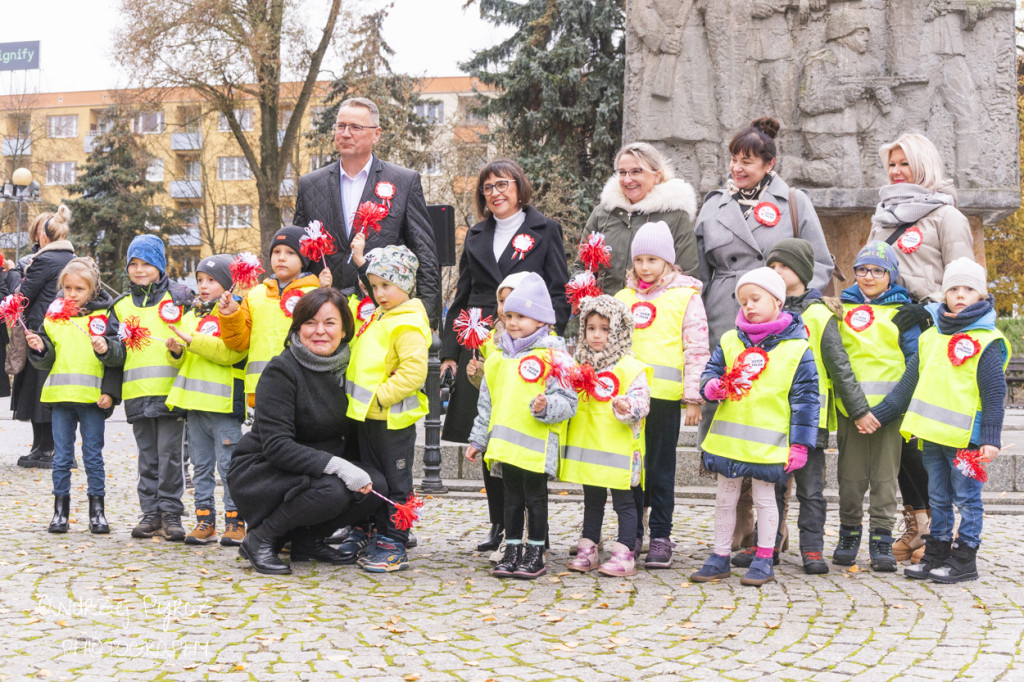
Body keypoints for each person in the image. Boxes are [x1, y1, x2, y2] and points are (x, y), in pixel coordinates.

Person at [694, 116, 834, 553]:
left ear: (769, 164)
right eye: (734, 159)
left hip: (780, 318)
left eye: (748, 161)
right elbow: (699, 271)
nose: (738, 168)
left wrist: (793, 302)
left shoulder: (793, 201)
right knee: (729, 415)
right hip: (726, 312)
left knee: (773, 415)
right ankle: (740, 520)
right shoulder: (714, 203)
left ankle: (777, 517)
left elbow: (821, 263)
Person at [440, 159, 570, 551]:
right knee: (490, 434)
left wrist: (552, 339)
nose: (494, 192)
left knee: (527, 433)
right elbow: (461, 293)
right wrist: (450, 351)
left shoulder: (546, 230)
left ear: (519, 187)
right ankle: (500, 523)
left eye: (502, 184)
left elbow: (559, 289)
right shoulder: (477, 234)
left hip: (531, 342)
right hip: (481, 341)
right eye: (487, 187)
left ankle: (535, 530)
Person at [867, 132, 975, 561]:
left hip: (930, 330)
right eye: (891, 165)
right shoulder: (883, 217)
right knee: (899, 435)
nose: (895, 172)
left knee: (923, 435)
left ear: (923, 166)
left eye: (903, 165)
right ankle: (918, 522)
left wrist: (930, 313)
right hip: (888, 329)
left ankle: (940, 527)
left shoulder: (948, 217)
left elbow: (962, 280)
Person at [228, 288, 385, 575]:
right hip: (266, 469)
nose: (320, 331)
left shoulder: (349, 367)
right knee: (335, 489)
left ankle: (307, 540)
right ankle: (261, 537)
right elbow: (276, 446)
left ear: (345, 328)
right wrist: (338, 466)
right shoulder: (282, 370)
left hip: (312, 471)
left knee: (375, 486)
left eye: (329, 323)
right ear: (298, 327)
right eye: (310, 323)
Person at [878, 259, 1007, 583]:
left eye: (968, 289)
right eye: (953, 288)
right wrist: (879, 414)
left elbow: (993, 393)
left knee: (966, 497)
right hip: (932, 437)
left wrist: (990, 438)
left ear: (981, 295)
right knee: (937, 497)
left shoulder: (986, 340)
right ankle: (937, 549)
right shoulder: (931, 337)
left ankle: (965, 556)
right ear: (943, 294)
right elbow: (909, 383)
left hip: (968, 440)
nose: (960, 294)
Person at [692, 267, 818, 587]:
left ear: (777, 301)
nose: (748, 306)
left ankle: (764, 557)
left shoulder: (797, 349)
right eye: (743, 300)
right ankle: (720, 555)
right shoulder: (731, 340)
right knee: (725, 499)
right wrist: (710, 387)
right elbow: (710, 371)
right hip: (729, 440)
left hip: (769, 441)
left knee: (765, 499)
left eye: (756, 299)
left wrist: (800, 445)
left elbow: (806, 400)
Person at [759, 239, 876, 575]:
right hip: (772, 417)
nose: (777, 271)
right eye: (772, 266)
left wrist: (859, 410)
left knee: (811, 490)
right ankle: (765, 545)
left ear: (802, 272)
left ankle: (811, 548)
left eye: (783, 266)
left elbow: (840, 367)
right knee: (771, 487)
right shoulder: (767, 312)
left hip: (811, 420)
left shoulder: (819, 315)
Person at [466, 272, 578, 580]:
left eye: (522, 316)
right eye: (510, 315)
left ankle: (535, 550)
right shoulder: (499, 357)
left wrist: (546, 408)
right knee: (510, 500)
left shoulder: (556, 358)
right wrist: (478, 440)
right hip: (505, 446)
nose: (513, 322)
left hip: (537, 448)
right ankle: (512, 547)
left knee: (535, 500)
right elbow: (487, 403)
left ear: (541, 320)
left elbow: (569, 402)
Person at [292, 96, 441, 327]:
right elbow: (298, 255)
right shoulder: (310, 184)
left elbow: (425, 255)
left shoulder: (404, 181)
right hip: (325, 317)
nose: (345, 133)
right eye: (340, 126)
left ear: (377, 134)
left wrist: (428, 322)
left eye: (355, 127)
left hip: (383, 315)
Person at [614, 221, 709, 569]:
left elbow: (696, 348)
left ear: (668, 262)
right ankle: (632, 530)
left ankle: (660, 535)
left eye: (653, 259)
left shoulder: (685, 297)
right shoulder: (622, 298)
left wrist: (693, 397)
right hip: (629, 401)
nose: (644, 267)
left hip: (665, 399)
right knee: (632, 466)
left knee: (660, 468)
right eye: (639, 259)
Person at [96, 235, 194, 541]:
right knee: (147, 456)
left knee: (170, 456)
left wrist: (179, 349)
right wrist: (104, 349)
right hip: (137, 394)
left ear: (160, 266)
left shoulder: (179, 299)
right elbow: (118, 353)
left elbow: (194, 339)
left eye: (146, 264)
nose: (139, 270)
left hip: (171, 393)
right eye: (133, 264)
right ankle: (150, 512)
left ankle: (171, 513)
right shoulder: (122, 306)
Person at [832, 241, 922, 571]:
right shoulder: (841, 309)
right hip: (851, 410)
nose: (868, 276)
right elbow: (837, 358)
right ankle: (849, 534)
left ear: (891, 276)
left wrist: (890, 407)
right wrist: (855, 407)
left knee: (885, 479)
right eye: (862, 269)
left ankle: (881, 540)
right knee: (851, 477)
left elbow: (914, 360)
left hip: (889, 413)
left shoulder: (903, 314)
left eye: (877, 270)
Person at [345, 242, 430, 573]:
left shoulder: (406, 322)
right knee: (374, 478)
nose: (379, 292)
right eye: (375, 285)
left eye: (387, 285)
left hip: (390, 418)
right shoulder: (382, 316)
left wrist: (380, 397)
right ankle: (377, 529)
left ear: (405, 284)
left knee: (396, 481)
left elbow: (413, 372)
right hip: (370, 416)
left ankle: (396, 538)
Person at [26, 257, 119, 534]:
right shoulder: (54, 318)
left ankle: (97, 511)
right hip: (61, 398)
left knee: (92, 456)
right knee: (62, 457)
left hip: (92, 400)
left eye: (79, 289)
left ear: (91, 289)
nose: (72, 294)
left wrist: (110, 393)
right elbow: (47, 358)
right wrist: (39, 347)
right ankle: (60, 511)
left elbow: (115, 360)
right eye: (67, 288)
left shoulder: (103, 317)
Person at [561, 295, 650, 577]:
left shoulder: (629, 367)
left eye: (605, 328)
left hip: (619, 450)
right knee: (592, 499)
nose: (596, 335)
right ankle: (589, 546)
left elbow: (642, 402)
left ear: (619, 332)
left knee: (624, 501)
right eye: (591, 328)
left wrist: (629, 407)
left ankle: (625, 550)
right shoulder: (579, 365)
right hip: (590, 448)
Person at [165, 254, 248, 547]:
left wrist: (192, 342)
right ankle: (204, 520)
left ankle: (235, 522)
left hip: (224, 406)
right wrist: (176, 351)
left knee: (228, 467)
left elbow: (231, 352)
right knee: (200, 467)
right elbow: (182, 363)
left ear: (226, 284)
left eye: (211, 280)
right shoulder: (192, 314)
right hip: (194, 407)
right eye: (200, 280)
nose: (203, 286)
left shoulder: (232, 314)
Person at [218, 226, 323, 407]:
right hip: (261, 390)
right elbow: (239, 343)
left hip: (304, 390)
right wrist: (230, 315)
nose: (281, 257)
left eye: (290, 252)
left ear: (303, 258)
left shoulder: (316, 294)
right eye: (276, 251)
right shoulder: (254, 295)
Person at [583, 142, 699, 294]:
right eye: (622, 172)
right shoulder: (602, 214)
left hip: (653, 313)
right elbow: (581, 266)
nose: (627, 180)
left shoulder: (675, 217)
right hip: (603, 314)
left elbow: (687, 274)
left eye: (636, 171)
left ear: (656, 176)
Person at [11, 205, 76, 469]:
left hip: (40, 331)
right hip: (59, 331)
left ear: (45, 237)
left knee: (39, 392)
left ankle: (47, 449)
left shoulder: (44, 260)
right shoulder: (72, 258)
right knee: (46, 391)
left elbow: (23, 295)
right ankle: (42, 447)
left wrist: (16, 275)